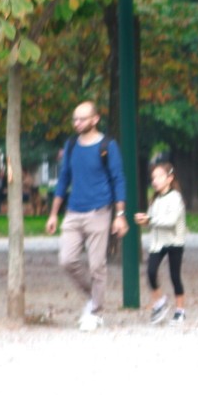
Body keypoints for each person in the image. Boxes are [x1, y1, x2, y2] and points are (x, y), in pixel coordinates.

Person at [44, 101, 127, 331]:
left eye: (82, 118)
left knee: (97, 265)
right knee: (67, 260)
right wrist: (53, 214)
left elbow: (118, 179)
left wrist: (120, 215)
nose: (77, 123)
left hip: (99, 211)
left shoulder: (107, 146)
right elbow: (64, 180)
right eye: (75, 119)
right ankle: (94, 297)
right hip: (73, 211)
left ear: (95, 119)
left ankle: (96, 312)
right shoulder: (71, 145)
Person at [135, 160, 188, 325]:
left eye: (159, 176)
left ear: (170, 178)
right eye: (153, 177)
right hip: (158, 243)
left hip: (174, 242)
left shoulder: (176, 198)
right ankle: (159, 302)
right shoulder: (155, 200)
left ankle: (180, 311)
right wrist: (143, 220)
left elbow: (171, 221)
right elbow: (153, 222)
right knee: (150, 273)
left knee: (175, 276)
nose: (155, 180)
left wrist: (150, 219)